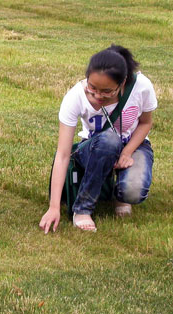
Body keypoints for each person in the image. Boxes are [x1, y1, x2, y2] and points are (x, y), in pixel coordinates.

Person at [39, 45, 157, 233]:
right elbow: (63, 154)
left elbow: (145, 123)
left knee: (133, 192)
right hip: (95, 148)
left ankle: (120, 196)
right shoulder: (75, 96)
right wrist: (53, 207)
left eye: (107, 91)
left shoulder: (142, 87)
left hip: (134, 145)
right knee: (109, 140)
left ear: (123, 83)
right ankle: (83, 210)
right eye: (92, 87)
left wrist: (127, 152)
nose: (97, 95)